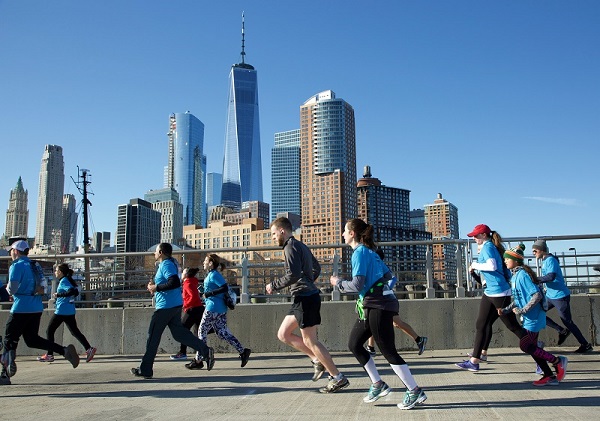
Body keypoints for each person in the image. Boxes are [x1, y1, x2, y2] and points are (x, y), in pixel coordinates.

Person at [330, 219, 426, 410]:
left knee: (387, 350)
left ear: (352, 234)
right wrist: (381, 290)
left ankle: (414, 390)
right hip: (376, 303)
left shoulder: (359, 253)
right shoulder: (371, 253)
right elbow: (390, 277)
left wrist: (338, 283)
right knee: (355, 344)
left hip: (378, 305)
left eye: (344, 231)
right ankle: (378, 384)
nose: (342, 234)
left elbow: (356, 285)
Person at [266, 217, 349, 394]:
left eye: (273, 234)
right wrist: (309, 281)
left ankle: (337, 377)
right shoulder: (300, 245)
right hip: (303, 297)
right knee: (283, 334)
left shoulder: (289, 247)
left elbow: (293, 274)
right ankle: (316, 360)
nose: (273, 238)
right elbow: (317, 267)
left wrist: (273, 285)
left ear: (282, 230)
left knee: (310, 340)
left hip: (305, 298)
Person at [1, 240, 80, 386]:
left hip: (20, 308)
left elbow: (12, 289)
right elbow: (43, 286)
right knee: (32, 340)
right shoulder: (34, 265)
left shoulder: (16, 266)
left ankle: (4, 375)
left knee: (8, 341)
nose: (10, 253)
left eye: (11, 250)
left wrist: (7, 290)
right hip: (36, 307)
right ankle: (63, 351)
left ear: (16, 251)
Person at [131, 242, 214, 379]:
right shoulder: (171, 263)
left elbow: (174, 282)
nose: (154, 254)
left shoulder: (166, 264)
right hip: (174, 305)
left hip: (165, 307)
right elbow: (170, 282)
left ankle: (145, 369)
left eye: (156, 251)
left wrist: (156, 288)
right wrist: (154, 287)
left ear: (161, 252)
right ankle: (205, 350)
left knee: (152, 337)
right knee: (179, 334)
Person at [498, 244, 568, 386]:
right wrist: (505, 309)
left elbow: (536, 295)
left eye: (507, 259)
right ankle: (549, 375)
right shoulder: (515, 276)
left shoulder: (522, 275)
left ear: (516, 260)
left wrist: (523, 310)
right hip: (530, 317)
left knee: (525, 346)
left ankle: (557, 361)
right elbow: (518, 299)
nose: (505, 261)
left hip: (534, 317)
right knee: (533, 348)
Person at [456, 224, 523, 371]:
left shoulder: (488, 247)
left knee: (513, 326)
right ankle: (475, 360)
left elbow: (492, 266)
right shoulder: (489, 246)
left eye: (476, 235)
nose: (474, 238)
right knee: (481, 324)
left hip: (500, 293)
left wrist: (475, 264)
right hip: (490, 292)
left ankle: (539, 352)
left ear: (484, 235)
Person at [185, 254, 250, 369]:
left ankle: (200, 359)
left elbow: (224, 287)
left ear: (211, 263)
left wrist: (209, 293)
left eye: (205, 260)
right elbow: (216, 289)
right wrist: (204, 291)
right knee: (222, 332)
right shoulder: (211, 275)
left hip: (212, 308)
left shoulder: (214, 275)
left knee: (201, 331)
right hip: (219, 309)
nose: (203, 262)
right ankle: (243, 351)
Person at [532, 239, 593, 353]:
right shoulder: (545, 260)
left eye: (535, 251)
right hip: (550, 296)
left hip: (560, 296)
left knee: (567, 321)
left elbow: (551, 277)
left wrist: (536, 279)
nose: (533, 253)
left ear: (541, 250)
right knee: (538, 312)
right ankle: (561, 331)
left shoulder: (550, 260)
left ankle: (585, 344)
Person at [366, 248, 427, 357]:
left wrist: (384, 289)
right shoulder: (376, 267)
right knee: (393, 323)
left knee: (376, 321)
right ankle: (419, 339)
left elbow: (393, 278)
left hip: (386, 300)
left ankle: (371, 348)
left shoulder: (380, 266)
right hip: (384, 300)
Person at [37, 263, 96, 363]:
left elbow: (72, 291)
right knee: (74, 332)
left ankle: (50, 355)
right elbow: (75, 291)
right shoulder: (67, 280)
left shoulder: (64, 281)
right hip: (69, 310)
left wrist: (58, 294)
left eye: (56, 270)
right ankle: (89, 349)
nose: (55, 272)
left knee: (50, 330)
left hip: (62, 311)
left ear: (60, 272)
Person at [170, 267, 205, 361]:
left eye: (182, 272)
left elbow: (193, 296)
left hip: (192, 309)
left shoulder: (187, 283)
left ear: (185, 275)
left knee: (183, 330)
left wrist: (185, 305)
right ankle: (203, 351)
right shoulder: (193, 282)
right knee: (198, 332)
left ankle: (182, 352)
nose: (181, 274)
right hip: (199, 308)